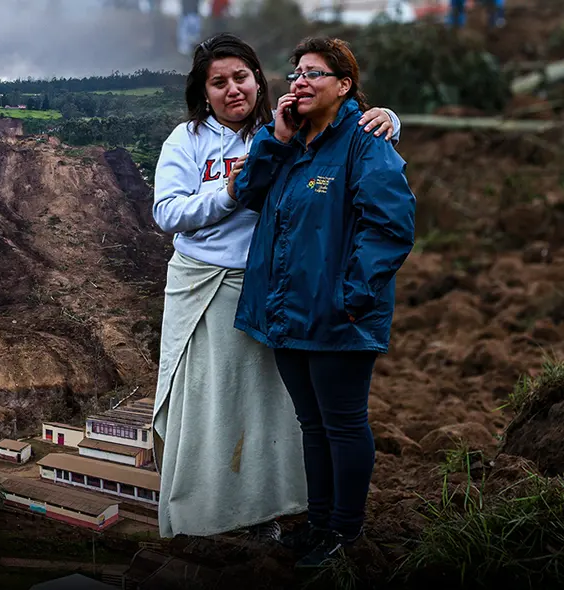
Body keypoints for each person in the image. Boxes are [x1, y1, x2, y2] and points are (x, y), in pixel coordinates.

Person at [151, 33, 401, 542]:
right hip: (221, 290)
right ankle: (209, 511)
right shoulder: (194, 139)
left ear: (257, 80)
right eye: (218, 82)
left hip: (285, 293)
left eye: (241, 76)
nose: (232, 89)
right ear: (204, 92)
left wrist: (390, 119)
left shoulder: (295, 128)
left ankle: (295, 515)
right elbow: (168, 212)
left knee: (279, 411)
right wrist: (225, 191)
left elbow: (379, 202)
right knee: (211, 405)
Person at [232, 37, 416, 567]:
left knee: (342, 422)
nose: (300, 82)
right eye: (295, 74)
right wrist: (278, 137)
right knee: (312, 424)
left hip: (337, 317)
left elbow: (390, 226)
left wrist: (350, 299)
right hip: (287, 313)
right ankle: (317, 524)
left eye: (314, 73)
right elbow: (247, 193)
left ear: (344, 85)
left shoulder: (365, 141)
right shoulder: (291, 142)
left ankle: (345, 532)